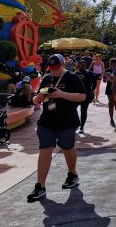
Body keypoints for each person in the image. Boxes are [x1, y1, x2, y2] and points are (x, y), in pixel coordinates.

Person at [27, 54, 86, 202]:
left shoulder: (72, 77)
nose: (54, 71)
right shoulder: (47, 78)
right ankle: (40, 186)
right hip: (47, 121)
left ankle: (72, 173)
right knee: (45, 150)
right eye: (52, 68)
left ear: (63, 64)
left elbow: (82, 96)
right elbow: (36, 99)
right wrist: (38, 98)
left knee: (67, 147)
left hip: (67, 120)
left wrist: (61, 94)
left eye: (57, 67)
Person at [75, 57, 95, 134]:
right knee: (73, 110)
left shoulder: (89, 73)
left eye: (84, 64)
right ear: (78, 64)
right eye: (81, 63)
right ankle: (77, 123)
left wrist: (92, 90)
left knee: (83, 111)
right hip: (76, 95)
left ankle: (82, 127)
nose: (82, 65)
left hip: (86, 95)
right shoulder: (75, 74)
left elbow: (94, 82)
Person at [103, 57, 116, 127]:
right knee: (111, 104)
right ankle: (111, 119)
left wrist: (113, 80)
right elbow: (104, 81)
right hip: (109, 89)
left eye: (114, 65)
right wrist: (105, 78)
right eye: (111, 64)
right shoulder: (108, 70)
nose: (113, 66)